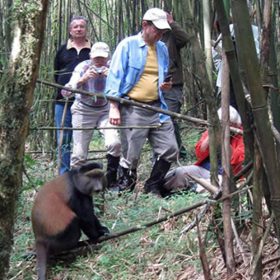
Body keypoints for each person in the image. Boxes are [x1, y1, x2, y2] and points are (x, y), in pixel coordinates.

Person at [105, 7, 178, 196]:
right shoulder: (127, 45)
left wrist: (165, 86)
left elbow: (160, 76)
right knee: (131, 155)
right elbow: (114, 78)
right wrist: (114, 107)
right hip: (133, 107)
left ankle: (153, 185)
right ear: (145, 25)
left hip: (158, 107)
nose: (160, 35)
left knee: (170, 148)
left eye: (163, 31)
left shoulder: (162, 48)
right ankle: (126, 189)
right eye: (157, 30)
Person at [61, 42, 121, 188]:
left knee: (115, 143)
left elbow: (125, 90)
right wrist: (83, 79)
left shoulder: (115, 67)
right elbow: (66, 93)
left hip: (106, 110)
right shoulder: (82, 67)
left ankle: (111, 181)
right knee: (79, 154)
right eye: (96, 58)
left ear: (108, 57)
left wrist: (112, 77)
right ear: (90, 57)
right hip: (83, 110)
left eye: (102, 59)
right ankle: (76, 186)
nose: (99, 62)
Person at [163, 106, 245, 193]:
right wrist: (211, 136)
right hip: (205, 169)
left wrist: (224, 140)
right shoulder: (212, 130)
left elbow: (237, 160)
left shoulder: (241, 135)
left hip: (226, 175)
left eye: (230, 123)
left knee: (221, 184)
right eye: (221, 123)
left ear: (236, 124)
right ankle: (169, 190)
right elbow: (199, 153)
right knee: (179, 172)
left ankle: (195, 188)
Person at [54, 16, 91, 174]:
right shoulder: (62, 50)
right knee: (64, 138)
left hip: (85, 102)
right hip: (63, 101)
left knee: (81, 139)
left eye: (81, 26)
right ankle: (64, 174)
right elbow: (56, 74)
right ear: (70, 30)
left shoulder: (93, 50)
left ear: (86, 29)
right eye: (75, 27)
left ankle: (79, 173)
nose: (78, 29)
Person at [161, 11, 189, 159]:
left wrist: (172, 22)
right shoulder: (148, 35)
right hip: (154, 85)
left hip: (173, 84)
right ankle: (169, 151)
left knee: (170, 118)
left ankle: (177, 151)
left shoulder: (171, 35)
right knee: (160, 119)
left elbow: (185, 39)